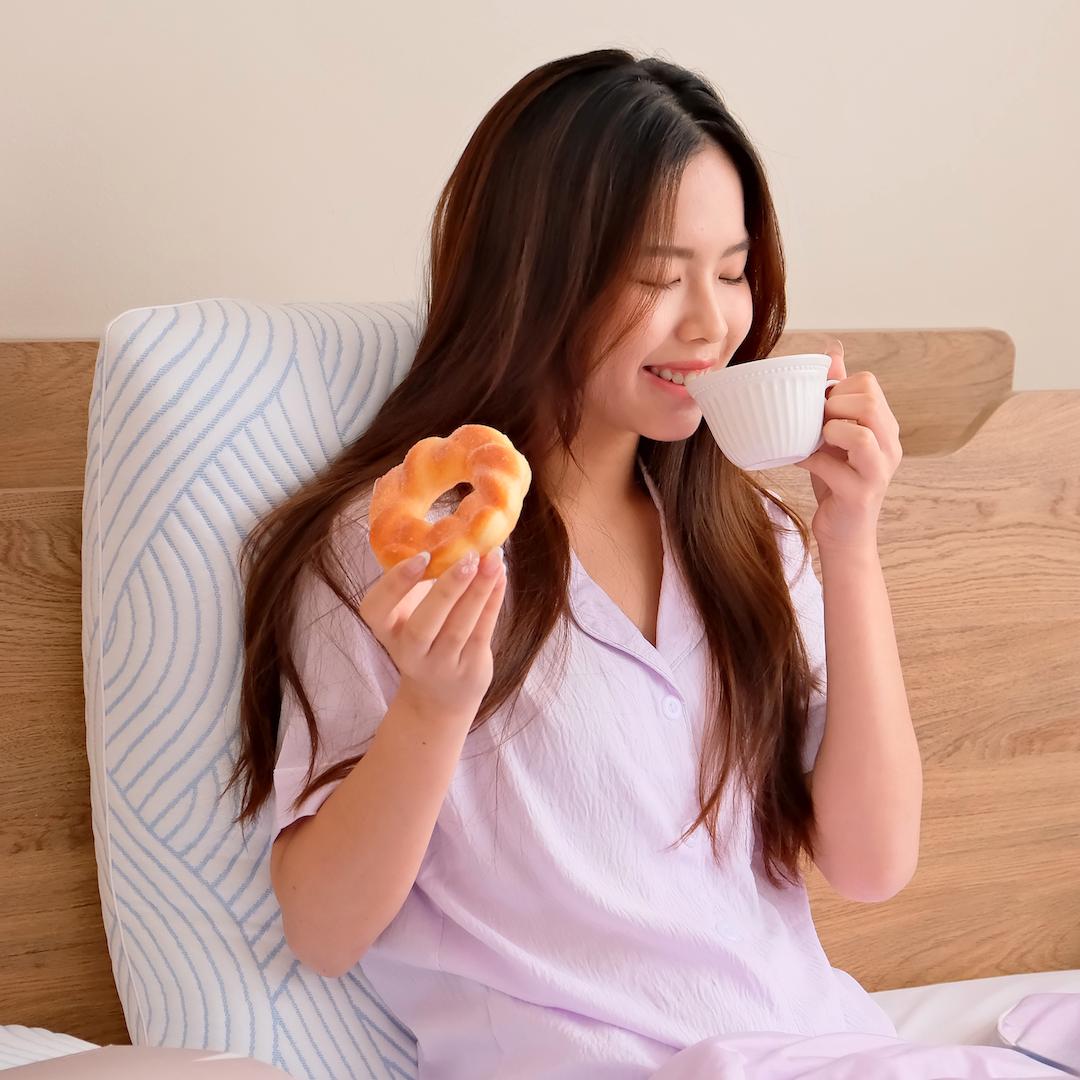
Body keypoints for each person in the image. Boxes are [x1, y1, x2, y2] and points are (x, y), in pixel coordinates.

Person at [230, 50, 1065, 1080]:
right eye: (661, 278)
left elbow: (872, 863)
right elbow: (322, 931)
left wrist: (851, 545)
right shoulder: (404, 549)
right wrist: (432, 710)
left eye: (733, 272)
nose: (713, 325)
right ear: (537, 278)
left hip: (816, 1051)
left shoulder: (748, 542)